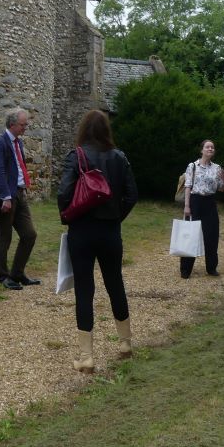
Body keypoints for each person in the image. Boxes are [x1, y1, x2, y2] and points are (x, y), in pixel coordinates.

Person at [57, 110, 139, 374]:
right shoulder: (119, 157)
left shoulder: (77, 156)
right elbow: (132, 195)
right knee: (115, 283)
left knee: (85, 289)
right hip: (110, 230)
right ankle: (125, 343)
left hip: (82, 230)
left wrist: (69, 215)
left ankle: (86, 357)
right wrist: (116, 217)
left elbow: (64, 193)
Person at [0, 108, 39, 290]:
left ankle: (17, 273)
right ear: (12, 124)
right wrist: (6, 197)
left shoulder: (18, 143)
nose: (25, 127)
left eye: (26, 124)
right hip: (7, 196)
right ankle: (2, 276)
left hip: (19, 194)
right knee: (4, 236)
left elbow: (18, 168)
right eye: (22, 124)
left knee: (29, 234)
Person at [180, 140, 224, 278]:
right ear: (202, 150)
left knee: (212, 235)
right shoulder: (193, 166)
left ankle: (211, 268)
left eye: (212, 147)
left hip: (210, 202)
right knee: (191, 235)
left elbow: (221, 189)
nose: (210, 149)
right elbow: (188, 186)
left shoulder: (217, 168)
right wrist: (187, 206)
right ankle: (185, 269)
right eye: (207, 147)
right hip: (195, 201)